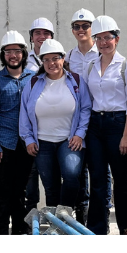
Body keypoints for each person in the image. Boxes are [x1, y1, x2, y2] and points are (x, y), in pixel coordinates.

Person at [20, 37, 91, 210]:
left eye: (55, 58)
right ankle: (55, 225)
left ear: (63, 58)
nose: (51, 63)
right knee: (50, 186)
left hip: (69, 140)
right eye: (47, 59)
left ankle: (65, 214)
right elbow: (24, 113)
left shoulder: (76, 81)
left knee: (72, 175)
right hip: (42, 143)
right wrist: (28, 139)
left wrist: (79, 134)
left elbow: (86, 109)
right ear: (42, 61)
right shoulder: (34, 82)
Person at [83, 15, 127, 235]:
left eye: (108, 37)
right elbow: (87, 101)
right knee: (97, 179)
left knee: (121, 180)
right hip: (95, 125)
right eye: (99, 38)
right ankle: (97, 229)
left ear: (117, 39)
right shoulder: (90, 67)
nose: (103, 42)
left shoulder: (126, 66)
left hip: (118, 124)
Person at [0, 31, 37, 235]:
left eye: (16, 51)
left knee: (20, 191)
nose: (12, 55)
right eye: (8, 52)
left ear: (23, 53)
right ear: (3, 55)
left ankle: (19, 232)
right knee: (2, 191)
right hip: (4, 145)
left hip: (27, 144)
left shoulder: (33, 78)